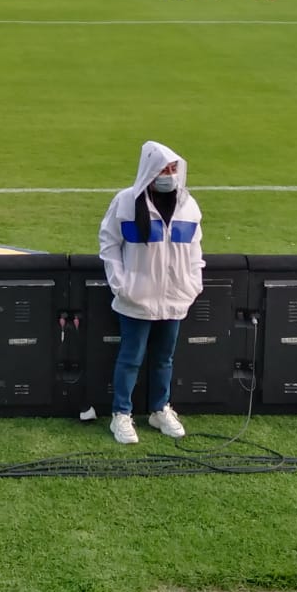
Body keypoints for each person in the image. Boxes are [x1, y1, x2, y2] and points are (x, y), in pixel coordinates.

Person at [98, 141, 203, 445]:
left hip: (175, 298)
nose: (168, 175)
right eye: (163, 169)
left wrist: (193, 283)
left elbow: (195, 249)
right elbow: (109, 244)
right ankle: (121, 414)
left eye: (173, 169)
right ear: (149, 171)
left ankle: (159, 409)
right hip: (137, 298)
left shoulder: (188, 204)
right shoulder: (127, 202)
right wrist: (122, 285)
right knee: (131, 357)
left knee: (164, 358)